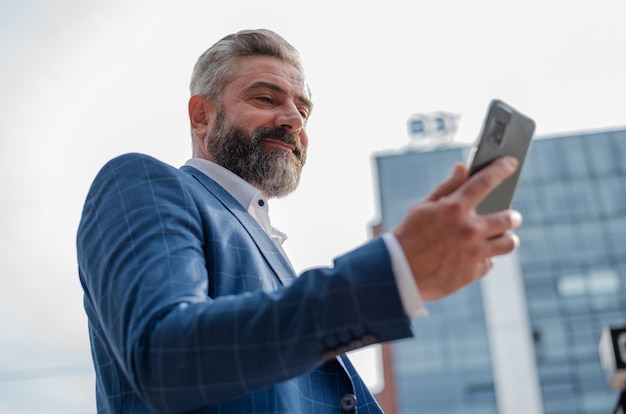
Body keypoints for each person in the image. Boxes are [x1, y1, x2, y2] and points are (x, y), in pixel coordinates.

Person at [77, 29, 522, 414]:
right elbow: (165, 353)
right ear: (201, 115)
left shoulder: (269, 248)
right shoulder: (145, 183)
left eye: (303, 110)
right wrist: (397, 271)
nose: (293, 119)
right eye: (266, 98)